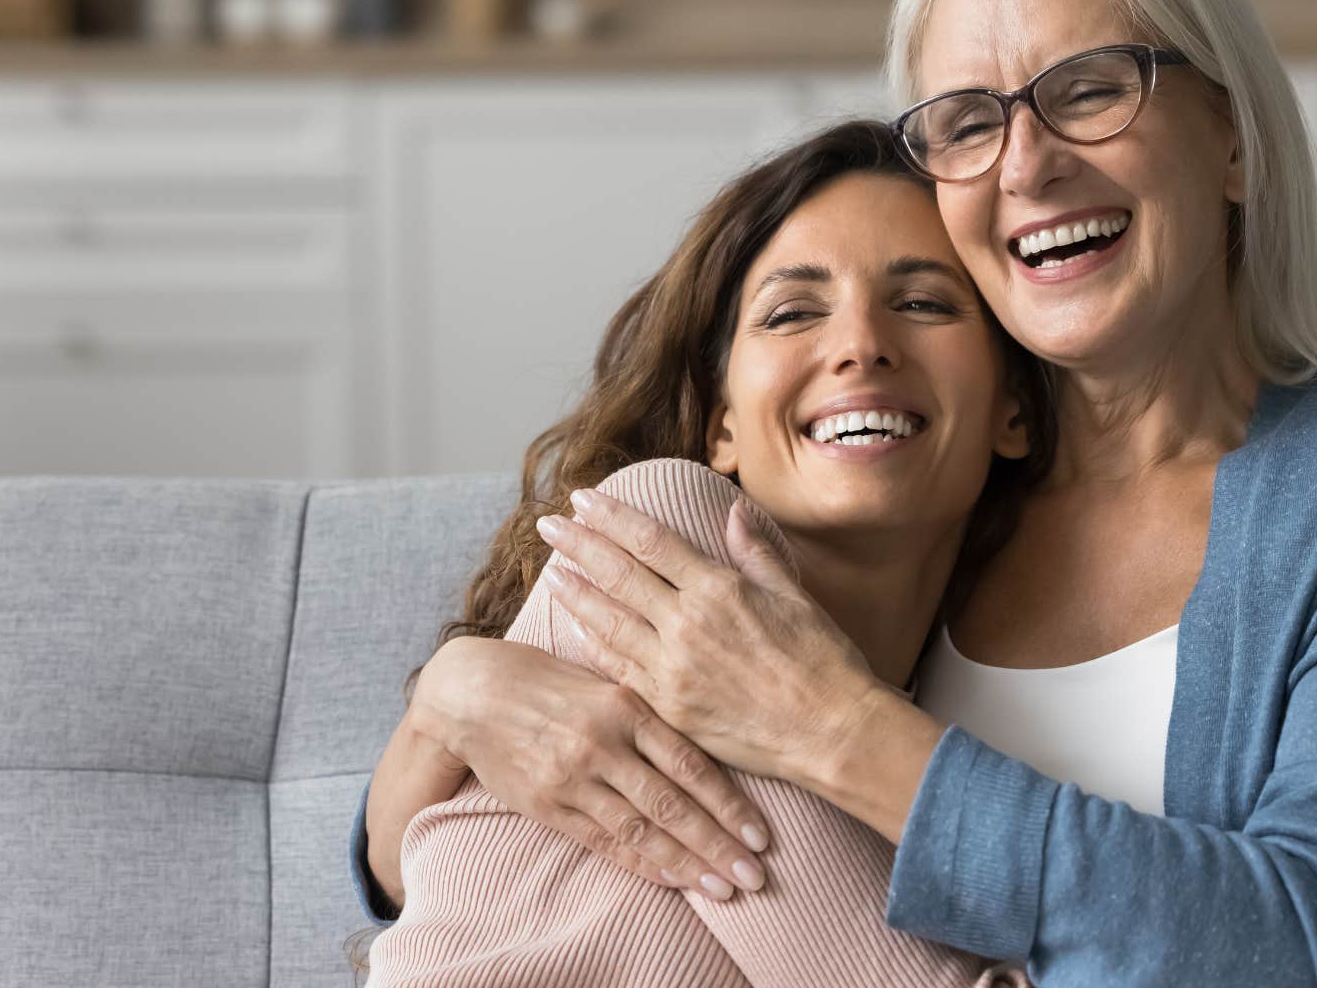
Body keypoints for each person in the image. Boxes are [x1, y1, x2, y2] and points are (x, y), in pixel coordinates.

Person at [357, 0, 1317, 984]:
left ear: (1233, 137)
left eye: (1092, 87)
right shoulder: (917, 495)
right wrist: (455, 696)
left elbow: (1309, 932)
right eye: (966, 120)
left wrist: (831, 727)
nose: (1031, 162)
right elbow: (512, 892)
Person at [361, 120, 1046, 984]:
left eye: (923, 303)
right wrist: (443, 700)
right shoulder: (659, 526)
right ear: (721, 426)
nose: (862, 344)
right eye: (793, 312)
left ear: (1013, 411)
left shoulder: (936, 757)